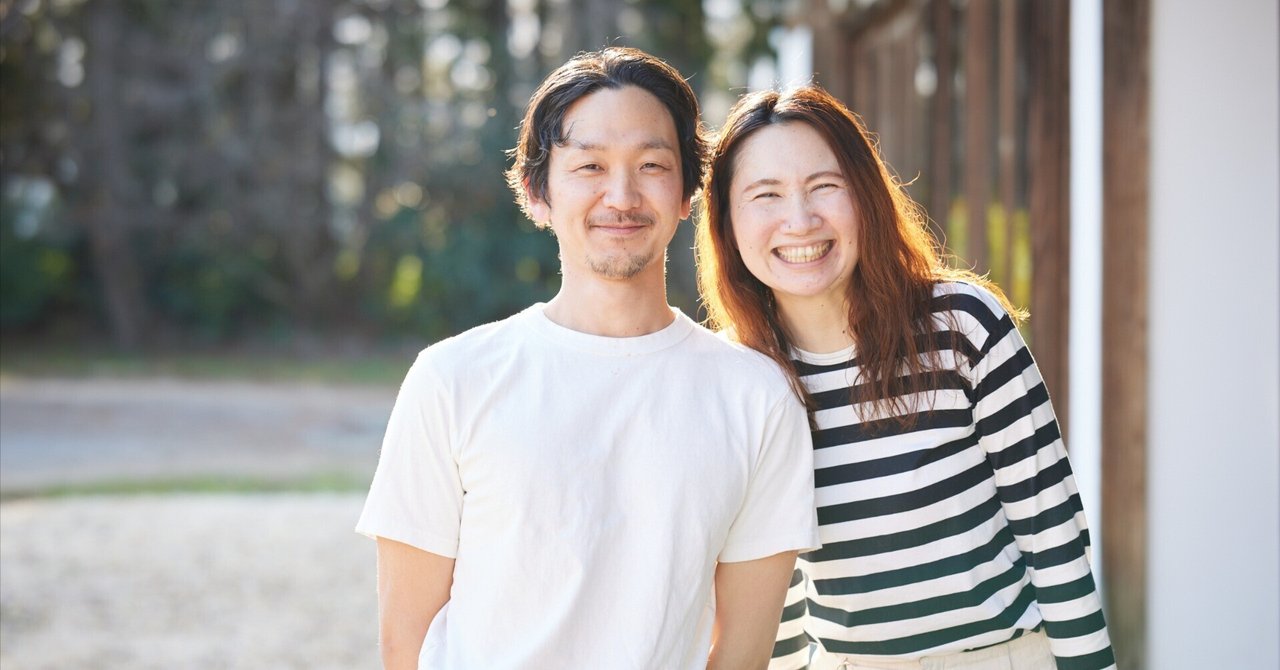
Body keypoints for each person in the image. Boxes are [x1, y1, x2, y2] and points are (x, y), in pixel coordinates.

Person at [356, 48, 820, 670]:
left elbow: (740, 654)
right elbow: (403, 646)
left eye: (652, 164)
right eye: (590, 165)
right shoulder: (451, 380)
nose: (621, 196)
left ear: (688, 191)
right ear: (537, 191)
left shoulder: (757, 398)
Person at [695, 85, 1116, 669]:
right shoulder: (739, 378)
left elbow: (1053, 530)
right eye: (765, 195)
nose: (799, 220)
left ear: (865, 196)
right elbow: (773, 600)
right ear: (727, 222)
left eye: (825, 186)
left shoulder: (962, 325)